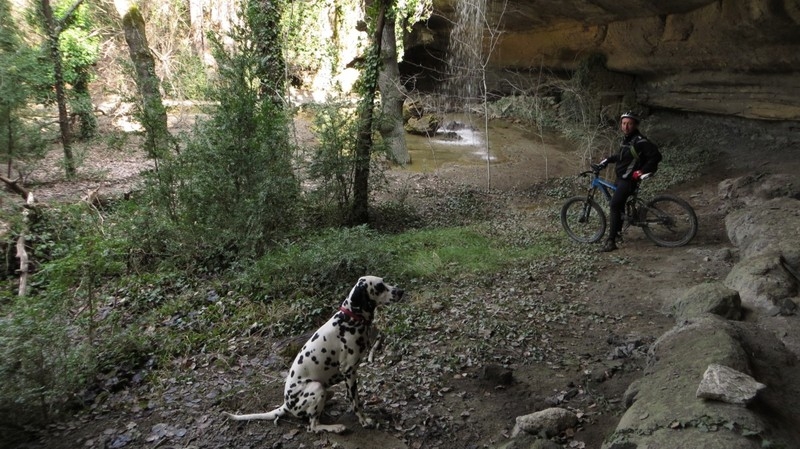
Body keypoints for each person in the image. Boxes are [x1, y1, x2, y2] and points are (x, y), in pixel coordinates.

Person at [593, 111, 662, 252]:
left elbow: (656, 156)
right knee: (619, 205)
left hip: (629, 181)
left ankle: (611, 241)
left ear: (635, 125)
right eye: (624, 123)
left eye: (629, 124)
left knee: (614, 206)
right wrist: (605, 161)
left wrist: (642, 171)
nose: (626, 126)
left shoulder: (640, 141)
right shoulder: (627, 139)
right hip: (621, 179)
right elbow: (621, 156)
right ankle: (618, 234)